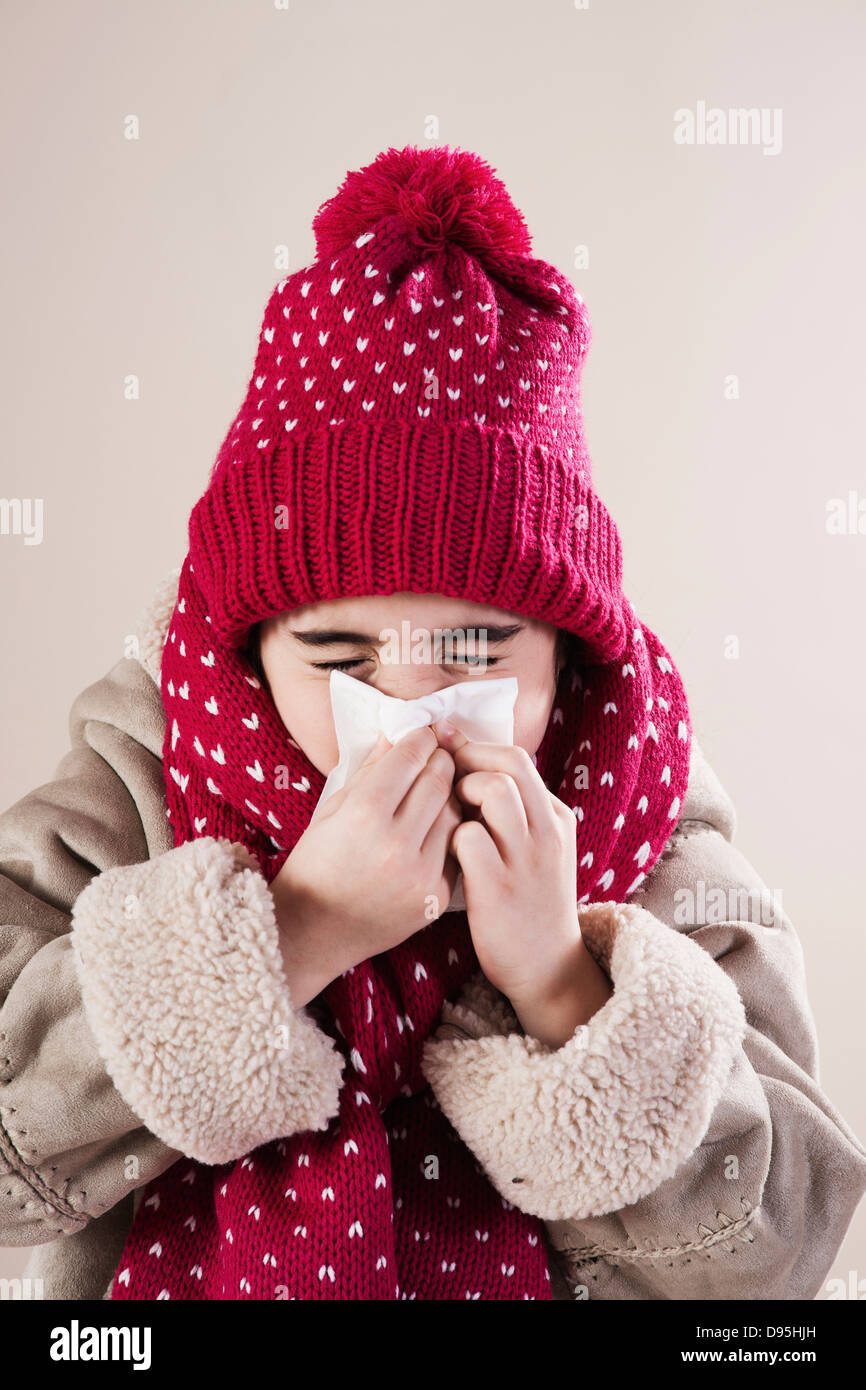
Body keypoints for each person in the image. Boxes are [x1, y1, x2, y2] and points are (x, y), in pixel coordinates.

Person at [2, 143, 865, 1301]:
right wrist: (291, 930)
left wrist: (564, 983)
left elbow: (777, 1263)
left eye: (474, 650)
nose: (406, 703)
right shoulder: (147, 774)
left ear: (569, 653)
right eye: (336, 654)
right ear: (249, 647)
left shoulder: (646, 820)